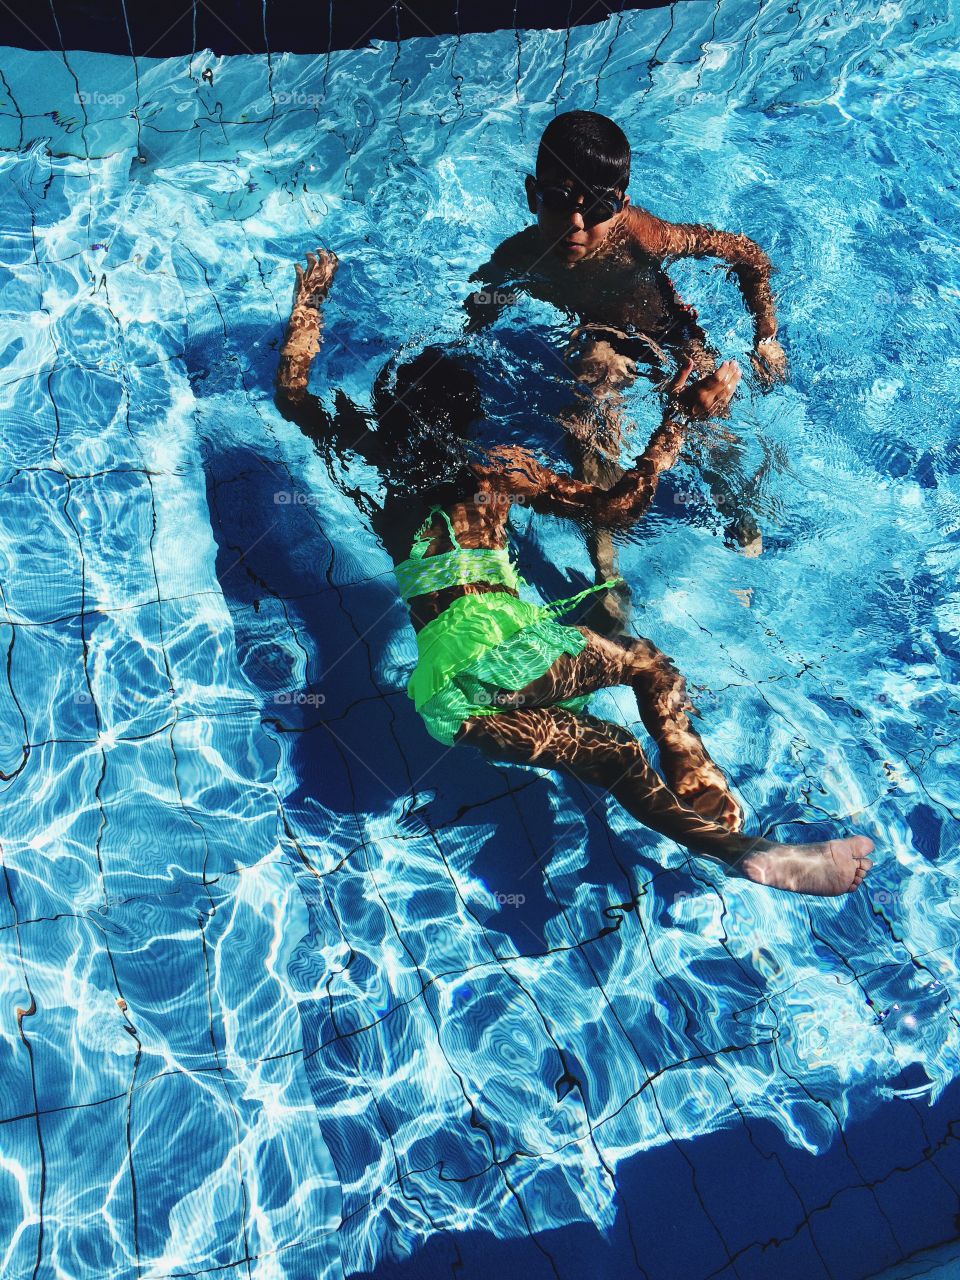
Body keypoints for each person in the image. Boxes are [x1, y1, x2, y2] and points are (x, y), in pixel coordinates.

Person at [272, 248, 874, 897]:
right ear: (466, 422)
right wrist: (676, 423)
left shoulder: (381, 470)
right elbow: (617, 508)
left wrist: (308, 303)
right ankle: (693, 772)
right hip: (496, 649)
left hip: (442, 697)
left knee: (614, 755)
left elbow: (294, 397)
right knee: (647, 664)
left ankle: (737, 850)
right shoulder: (491, 472)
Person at [466, 110, 788, 621]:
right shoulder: (520, 256)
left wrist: (766, 335)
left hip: (669, 335)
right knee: (591, 391)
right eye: (556, 202)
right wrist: (468, 340)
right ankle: (605, 561)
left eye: (595, 208)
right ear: (532, 194)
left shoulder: (644, 236)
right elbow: (484, 298)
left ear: (621, 206)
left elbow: (746, 253)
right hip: (601, 339)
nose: (576, 224)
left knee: (713, 428)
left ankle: (733, 503)